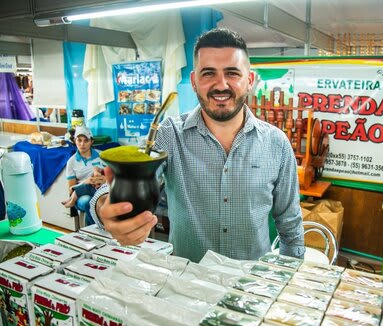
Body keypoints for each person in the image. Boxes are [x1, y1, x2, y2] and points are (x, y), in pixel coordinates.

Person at [90, 28, 305, 262]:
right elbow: (124, 183)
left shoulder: (277, 144)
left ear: (249, 80)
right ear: (194, 81)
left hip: (251, 286)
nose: (221, 85)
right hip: (186, 286)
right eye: (208, 73)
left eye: (232, 73)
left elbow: (290, 224)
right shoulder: (169, 135)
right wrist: (106, 208)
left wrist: (290, 278)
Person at [64, 126, 106, 226]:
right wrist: (86, 181)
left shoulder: (102, 156)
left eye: (86, 141)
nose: (82, 144)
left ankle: (89, 234)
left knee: (95, 200)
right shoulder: (71, 162)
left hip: (100, 191)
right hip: (82, 196)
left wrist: (104, 180)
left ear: (91, 142)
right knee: (89, 201)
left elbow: (111, 178)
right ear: (75, 141)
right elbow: (71, 189)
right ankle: (99, 230)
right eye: (79, 140)